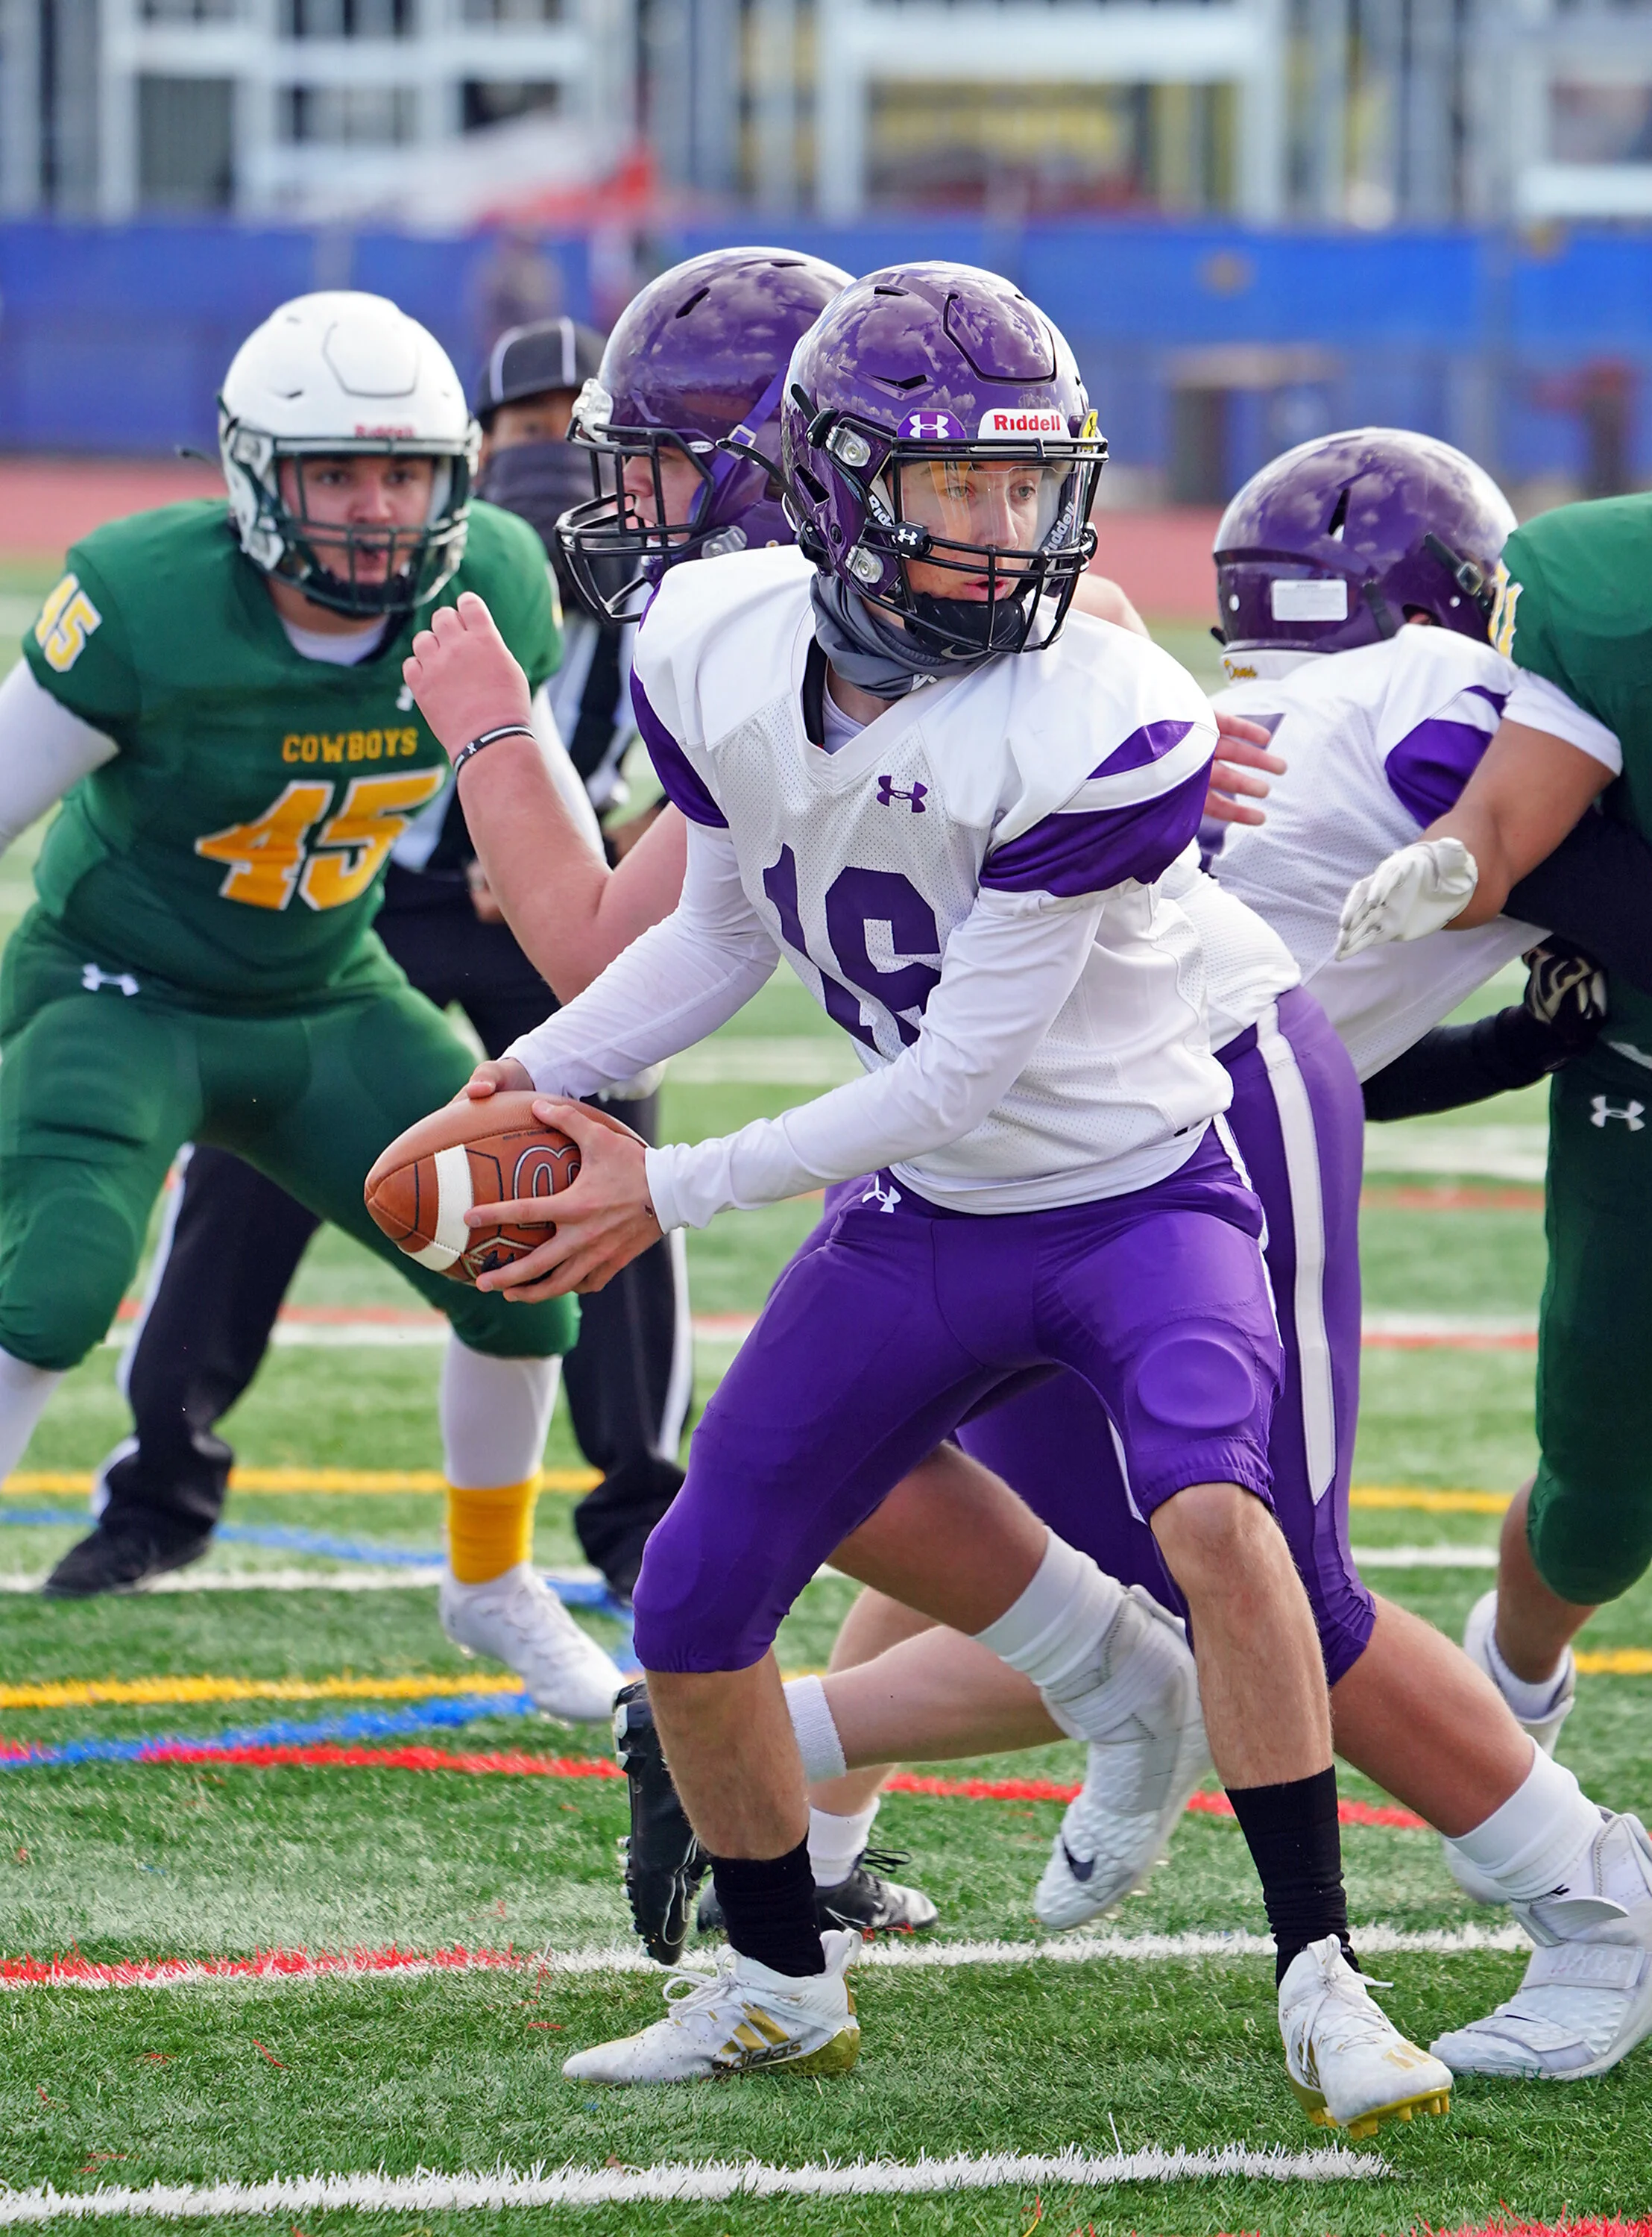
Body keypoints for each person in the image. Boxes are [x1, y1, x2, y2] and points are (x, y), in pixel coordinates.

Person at [404, 266, 1453, 2135]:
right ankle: (773, 1982)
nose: (1002, 533)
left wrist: (679, 1181)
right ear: (824, 489)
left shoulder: (1089, 712)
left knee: (1225, 1519)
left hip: (1135, 1193)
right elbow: (720, 928)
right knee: (695, 1596)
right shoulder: (720, 637)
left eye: (1026, 487)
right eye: (952, 490)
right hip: (925, 1215)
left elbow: (964, 1070)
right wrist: (550, 1068)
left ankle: (1322, 1974)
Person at [10, 289, 620, 1720]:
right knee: (58, 1274)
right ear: (251, 478)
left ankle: (489, 1583)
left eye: (401, 472)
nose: (370, 509)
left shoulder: (502, 587)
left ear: (452, 474)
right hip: (120, 986)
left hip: (324, 983)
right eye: (333, 472)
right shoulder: (148, 599)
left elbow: (554, 858)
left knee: (519, 1239)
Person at [1337, 488, 1652, 2070]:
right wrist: (1459, 866)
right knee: (1599, 1484)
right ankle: (1514, 1668)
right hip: (1648, 1076)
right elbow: (1507, 825)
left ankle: (1594, 1910)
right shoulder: (1604, 594)